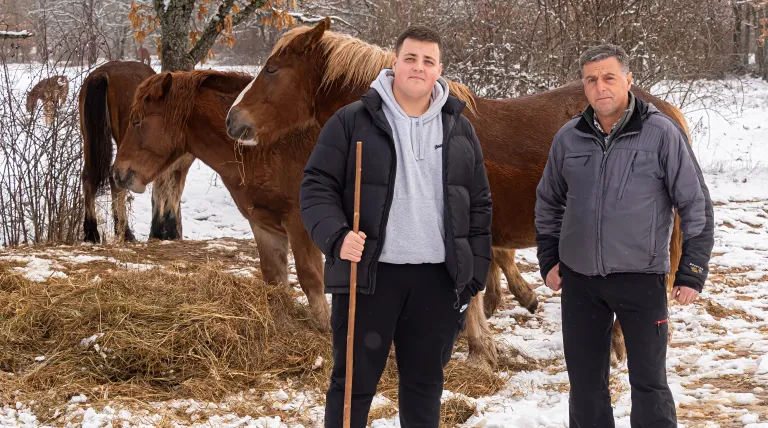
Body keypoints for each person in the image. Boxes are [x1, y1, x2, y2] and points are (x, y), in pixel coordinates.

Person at [299, 25, 492, 428]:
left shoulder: (459, 128)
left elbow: (478, 204)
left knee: (425, 385)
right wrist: (335, 237)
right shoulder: (352, 121)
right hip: (369, 276)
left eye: (428, 61)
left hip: (436, 282)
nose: (418, 68)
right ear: (394, 63)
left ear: (439, 69)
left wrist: (472, 274)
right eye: (410, 58)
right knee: (352, 385)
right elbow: (316, 187)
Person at [534, 43, 714, 427]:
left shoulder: (661, 133)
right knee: (585, 386)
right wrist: (548, 258)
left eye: (609, 77)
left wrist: (692, 269)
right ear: (583, 86)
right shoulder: (569, 137)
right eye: (591, 79)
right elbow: (548, 202)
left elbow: (695, 203)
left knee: (649, 384)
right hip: (580, 283)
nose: (600, 87)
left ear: (628, 80)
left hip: (641, 278)